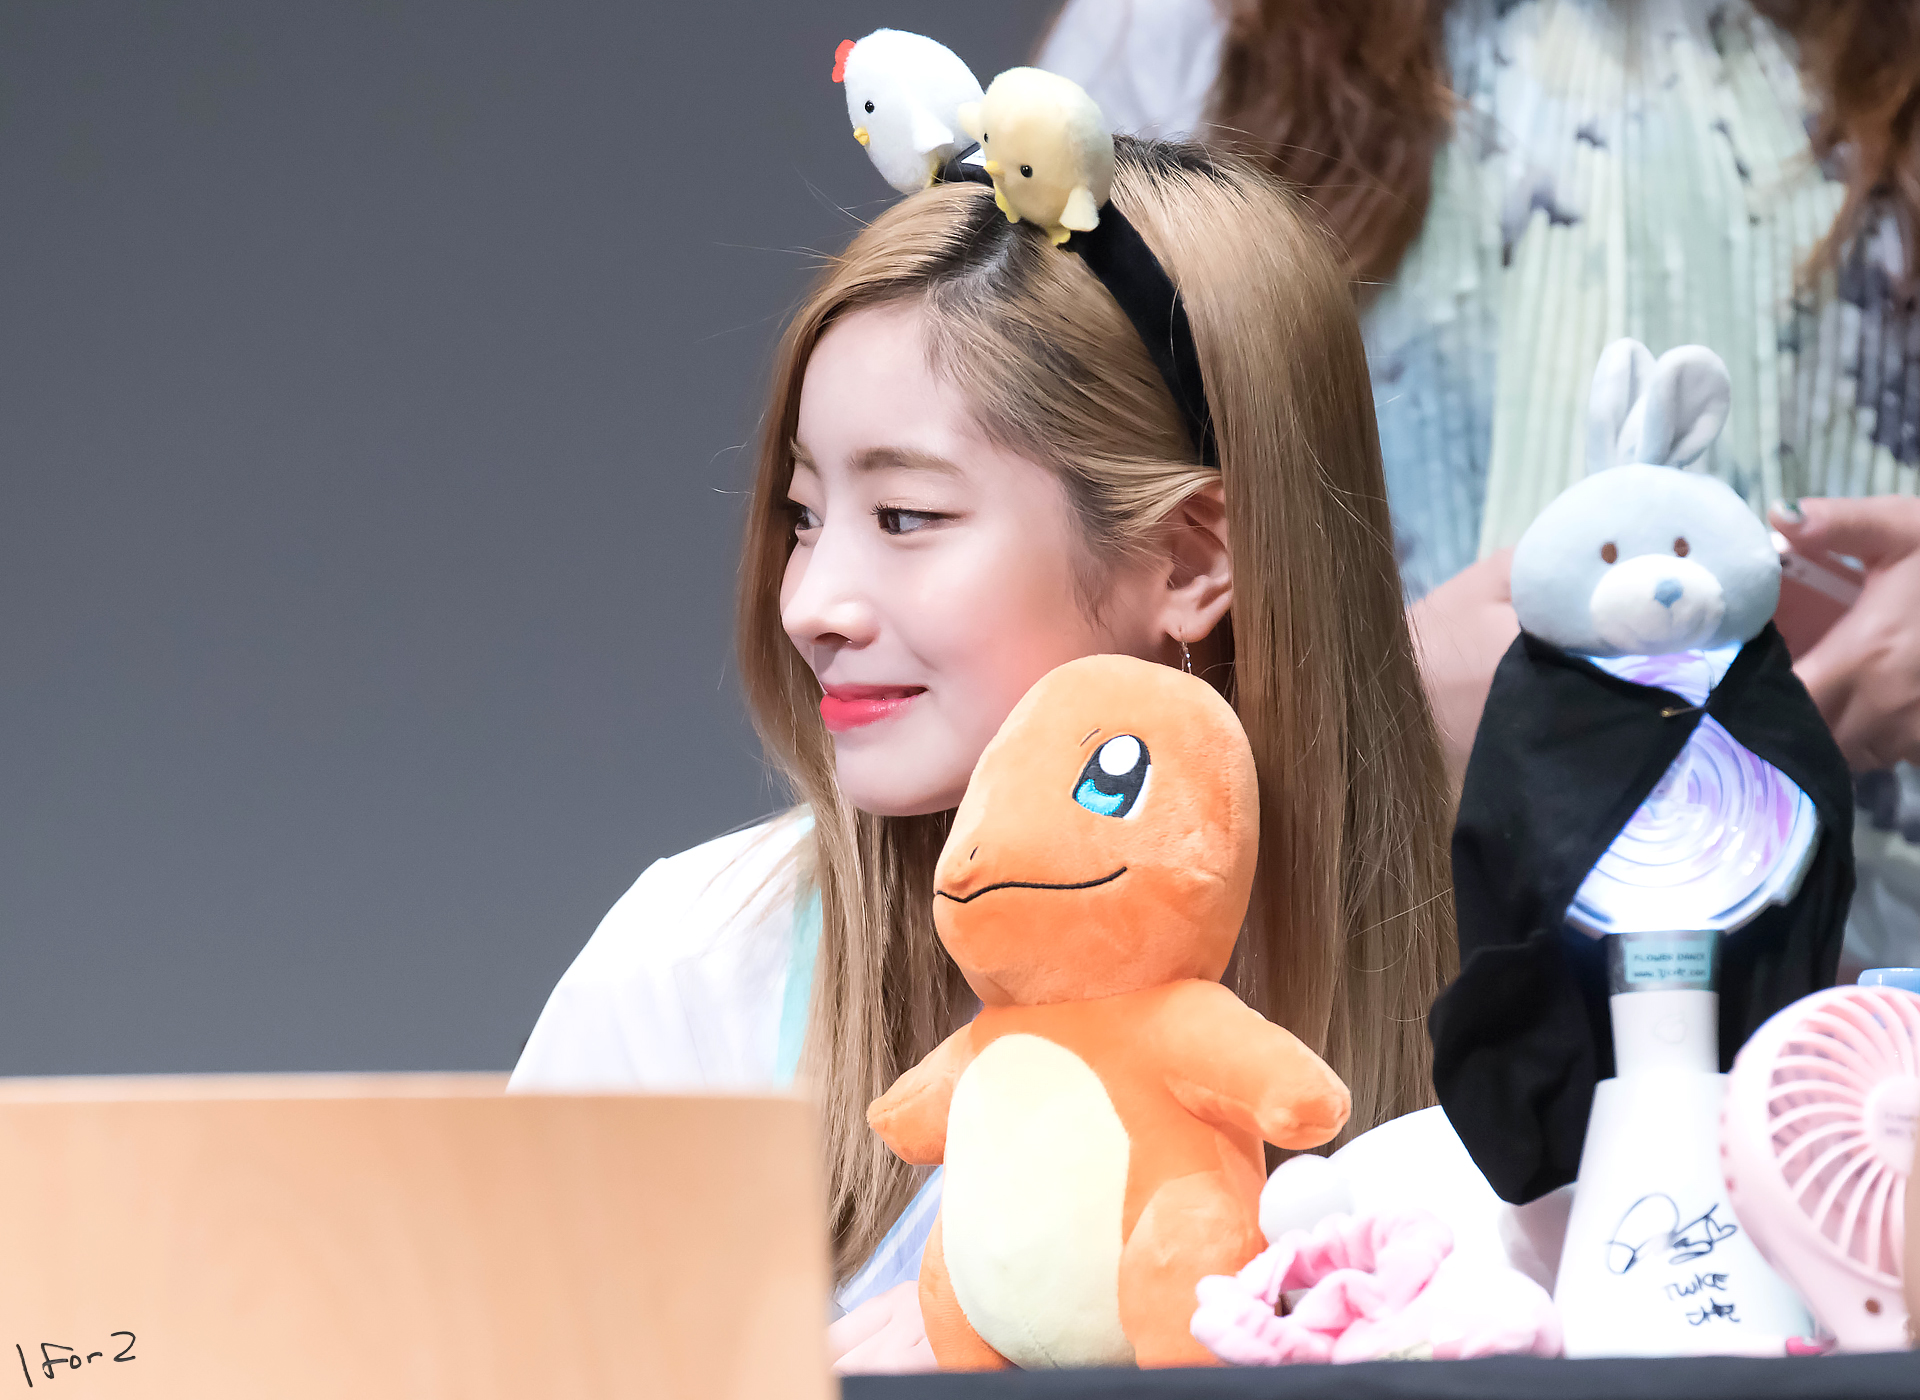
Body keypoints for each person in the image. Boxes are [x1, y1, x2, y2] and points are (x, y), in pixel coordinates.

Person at [510, 138, 1455, 1370]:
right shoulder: (698, 958)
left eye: (906, 515)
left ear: (1189, 559)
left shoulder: (1489, 972)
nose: (810, 604)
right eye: (805, 515)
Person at [1040, 0, 1920, 958]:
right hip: (1364, 948)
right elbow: (1040, 568)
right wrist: (1376, 708)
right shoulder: (1187, 32)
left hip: (1872, 953)